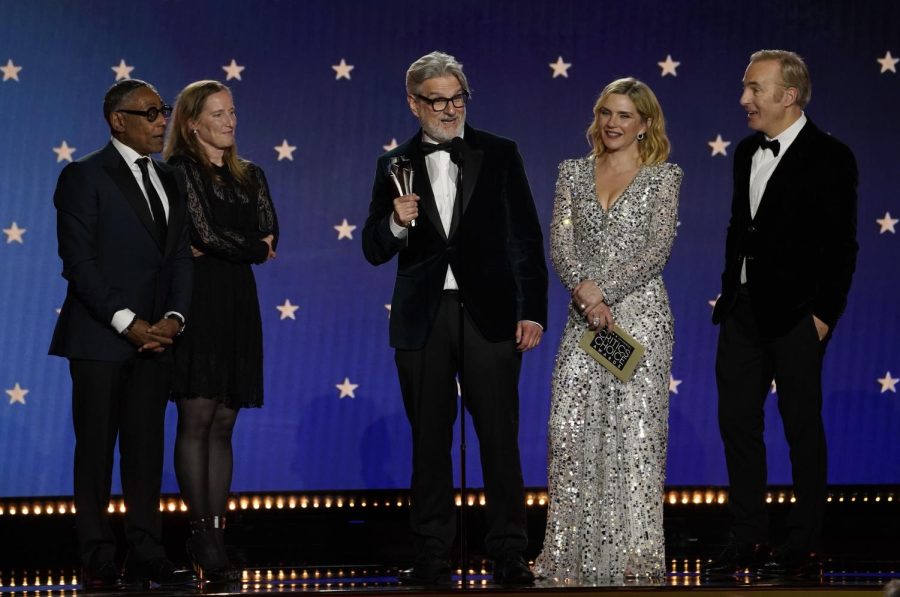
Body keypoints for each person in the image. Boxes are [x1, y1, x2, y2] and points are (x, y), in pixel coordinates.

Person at [362, 51, 548, 586]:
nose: (449, 109)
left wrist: (531, 310)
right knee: (429, 440)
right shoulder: (393, 166)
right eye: (437, 100)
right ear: (413, 103)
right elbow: (373, 248)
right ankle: (432, 554)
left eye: (457, 98)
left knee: (498, 435)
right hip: (424, 318)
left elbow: (525, 238)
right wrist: (396, 226)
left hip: (490, 313)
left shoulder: (500, 153)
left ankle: (509, 551)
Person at [708, 50, 858, 577]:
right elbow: (738, 228)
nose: (744, 98)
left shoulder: (830, 156)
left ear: (787, 95)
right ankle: (748, 536)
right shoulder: (747, 151)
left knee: (800, 427)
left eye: (754, 88)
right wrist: (731, 293)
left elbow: (843, 246)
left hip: (797, 316)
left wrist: (823, 315)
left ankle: (802, 541)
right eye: (746, 87)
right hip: (742, 313)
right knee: (737, 425)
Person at [533, 78, 682, 582]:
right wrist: (585, 295)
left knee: (635, 440)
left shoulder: (664, 178)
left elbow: (655, 250)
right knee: (569, 430)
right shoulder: (572, 173)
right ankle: (569, 558)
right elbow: (561, 246)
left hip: (639, 319)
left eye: (624, 115)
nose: (613, 124)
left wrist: (603, 293)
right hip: (585, 324)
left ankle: (635, 560)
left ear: (644, 124)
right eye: (605, 113)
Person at [49, 79, 195, 589]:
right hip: (100, 339)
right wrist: (128, 323)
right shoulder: (83, 176)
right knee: (95, 450)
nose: (162, 122)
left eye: (165, 111)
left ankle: (147, 550)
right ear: (118, 120)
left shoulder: (172, 178)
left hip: (158, 340)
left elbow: (179, 257)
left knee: (145, 450)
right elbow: (79, 264)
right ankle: (97, 557)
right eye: (152, 113)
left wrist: (174, 320)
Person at [163, 80, 278, 581]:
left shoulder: (251, 174)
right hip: (198, 302)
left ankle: (217, 531)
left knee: (226, 422)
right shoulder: (179, 172)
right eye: (217, 113)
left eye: (232, 111)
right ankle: (201, 536)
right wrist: (244, 244)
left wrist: (235, 245)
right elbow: (201, 233)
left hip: (237, 303)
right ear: (192, 123)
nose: (230, 121)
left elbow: (269, 238)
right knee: (198, 417)